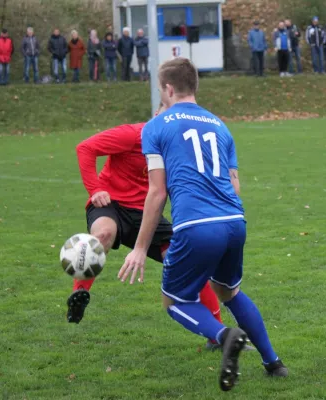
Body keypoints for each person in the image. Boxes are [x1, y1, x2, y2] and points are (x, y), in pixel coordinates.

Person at [118, 58, 288, 391]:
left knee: (175, 301)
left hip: (196, 226)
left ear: (167, 88)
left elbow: (156, 193)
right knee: (229, 291)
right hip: (234, 221)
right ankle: (274, 364)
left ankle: (224, 336)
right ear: (194, 86)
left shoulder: (156, 126)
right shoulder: (220, 125)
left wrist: (139, 248)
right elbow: (235, 185)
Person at [72, 105, 234, 353]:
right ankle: (79, 296)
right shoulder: (132, 134)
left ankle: (218, 336)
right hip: (111, 203)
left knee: (188, 262)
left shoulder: (177, 147)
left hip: (148, 214)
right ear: (156, 117)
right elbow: (85, 148)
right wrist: (95, 189)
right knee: (102, 234)